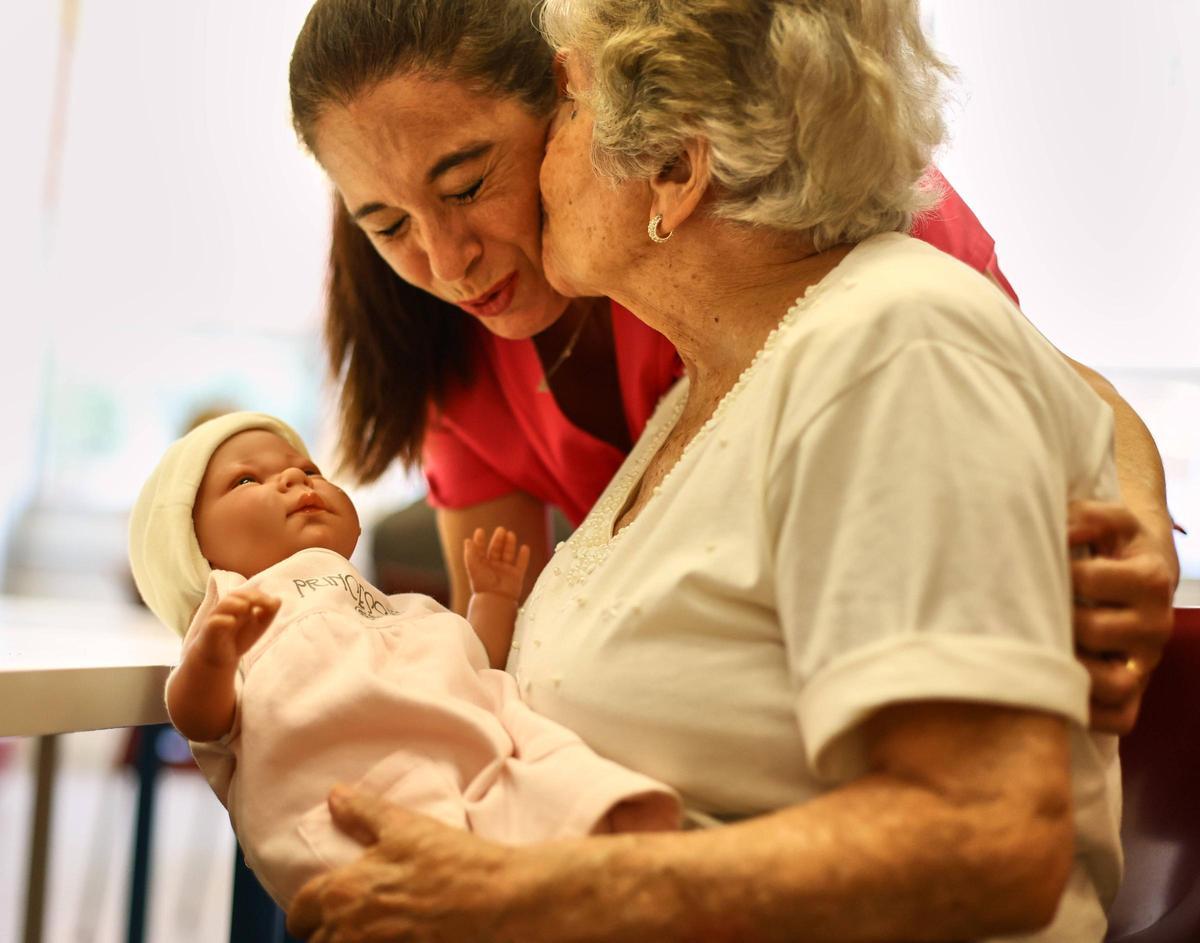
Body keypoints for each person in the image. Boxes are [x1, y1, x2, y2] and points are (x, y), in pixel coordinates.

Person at [286, 2, 1141, 940]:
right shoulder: (699, 393)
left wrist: (524, 891)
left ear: (674, 165)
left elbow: (1022, 383)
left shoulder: (882, 330)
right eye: (388, 224)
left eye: (568, 109)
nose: (447, 262)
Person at [127, 411, 679, 907]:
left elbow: (472, 663)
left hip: (465, 761)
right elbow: (202, 720)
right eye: (247, 479)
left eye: (309, 469)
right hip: (358, 797)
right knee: (450, 886)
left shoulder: (391, 607)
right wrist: (213, 659)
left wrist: (491, 600)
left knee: (549, 796)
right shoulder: (235, 606)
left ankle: (611, 856)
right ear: (192, 549)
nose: (296, 479)